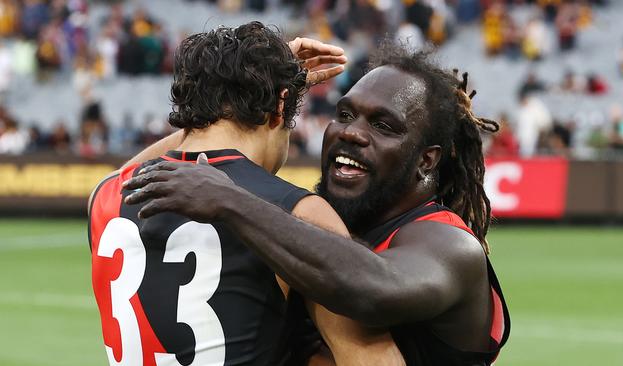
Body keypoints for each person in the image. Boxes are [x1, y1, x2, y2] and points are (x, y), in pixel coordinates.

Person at [123, 42, 510, 365]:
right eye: (344, 114)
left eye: (383, 126)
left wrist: (226, 198)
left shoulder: (449, 245)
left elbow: (372, 288)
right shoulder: (311, 229)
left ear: (427, 160)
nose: (351, 133)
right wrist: (242, 104)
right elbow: (118, 186)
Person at [88, 22, 404, 366]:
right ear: (282, 106)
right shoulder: (301, 212)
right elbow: (369, 357)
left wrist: (204, 115)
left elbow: (121, 174)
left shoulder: (106, 199)